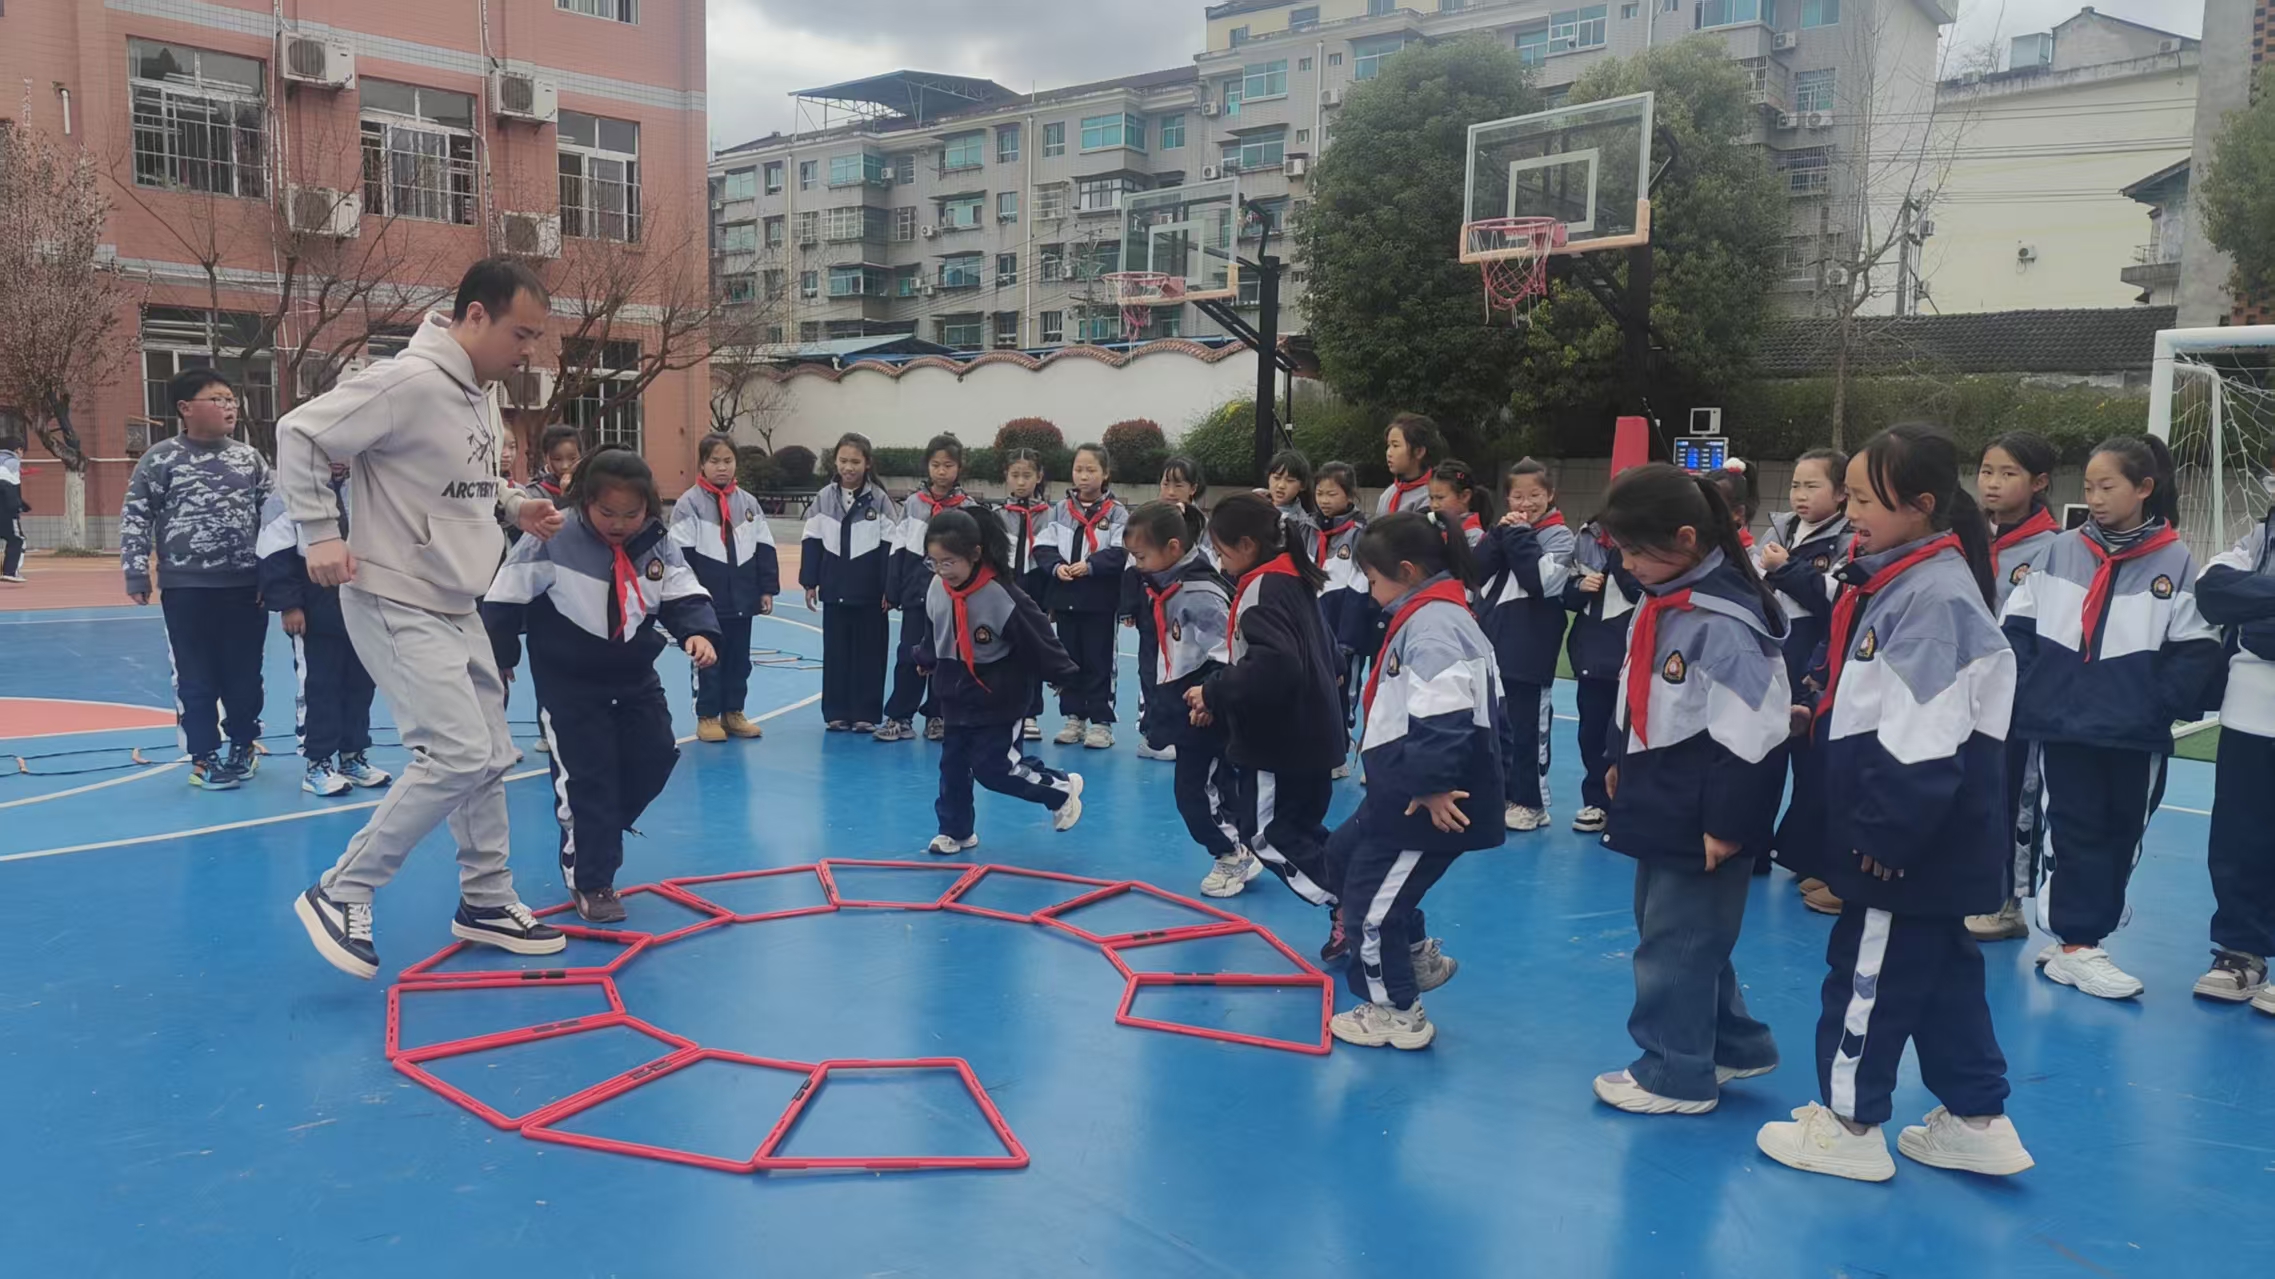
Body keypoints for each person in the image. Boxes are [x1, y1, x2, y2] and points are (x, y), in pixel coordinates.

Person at [1756, 424, 2035, 1183]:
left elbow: (1925, 736)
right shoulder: (1900, 582)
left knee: (1865, 970)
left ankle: (1849, 1124)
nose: (1849, 514)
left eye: (1862, 499)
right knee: (1942, 975)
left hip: (1909, 835)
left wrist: (1887, 833)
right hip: (1925, 832)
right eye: (1847, 497)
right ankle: (1978, 1120)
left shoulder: (1932, 597)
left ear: (1921, 504)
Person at [280, 258, 570, 980]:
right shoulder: (406, 382)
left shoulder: (480, 392)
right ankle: (341, 889)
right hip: (395, 595)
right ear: (475, 315)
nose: (528, 350)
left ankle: (486, 900)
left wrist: (512, 504)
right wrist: (320, 530)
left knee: (491, 754)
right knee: (456, 754)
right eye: (520, 333)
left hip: (455, 598)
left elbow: (462, 478)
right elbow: (301, 433)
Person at [1586, 464, 1788, 1117]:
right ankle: (1733, 1044)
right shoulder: (1664, 598)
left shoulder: (1722, 621)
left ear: (1685, 539)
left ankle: (1675, 1072)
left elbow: (1754, 733)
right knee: (1676, 931)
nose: (1626, 564)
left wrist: (1727, 826)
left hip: (1704, 806)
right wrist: (1619, 757)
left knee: (1676, 943)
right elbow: (1640, 686)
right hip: (1660, 785)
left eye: (1635, 550)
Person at [2003, 434, 2222, 1001]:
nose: (2095, 498)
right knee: (2072, 829)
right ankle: (2077, 943)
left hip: (2134, 732)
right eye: (2089, 487)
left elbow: (2196, 647)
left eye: (2107, 487)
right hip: (2062, 725)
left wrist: (2156, 703)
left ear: (2144, 488)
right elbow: (2016, 630)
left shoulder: (2175, 561)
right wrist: (2035, 694)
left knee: (2123, 833)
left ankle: (2080, 936)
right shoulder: (2059, 551)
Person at [484, 447, 721, 921]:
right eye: (607, 512)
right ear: (585, 501)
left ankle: (604, 825)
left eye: (631, 514)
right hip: (570, 684)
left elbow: (682, 591)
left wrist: (698, 632)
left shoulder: (656, 541)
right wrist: (502, 657)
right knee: (586, 781)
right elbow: (504, 598)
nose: (619, 524)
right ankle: (592, 881)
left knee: (656, 754)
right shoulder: (552, 537)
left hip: (634, 675)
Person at [1324, 511, 1507, 1048]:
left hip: (1428, 800)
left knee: (1369, 912)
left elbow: (1445, 715)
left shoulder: (1434, 627)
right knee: (1342, 856)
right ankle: (1414, 954)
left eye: (1373, 579)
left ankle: (1396, 1012)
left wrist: (1429, 786)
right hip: (1401, 787)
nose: (1369, 591)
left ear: (1406, 572)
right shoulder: (1428, 614)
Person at [1189, 493, 1349, 921]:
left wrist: (1213, 692)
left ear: (1247, 545)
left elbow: (1276, 664)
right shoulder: (1293, 578)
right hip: (1313, 735)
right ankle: (1370, 905)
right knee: (1303, 832)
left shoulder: (1263, 587)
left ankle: (1357, 909)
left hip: (1280, 744)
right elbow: (1329, 654)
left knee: (1267, 835)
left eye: (1222, 552)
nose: (1220, 562)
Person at [120, 369, 273, 790]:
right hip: (186, 589)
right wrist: (135, 570)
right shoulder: (160, 459)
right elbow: (136, 516)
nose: (229, 407)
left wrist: (274, 577)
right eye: (218, 399)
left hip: (246, 589)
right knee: (195, 677)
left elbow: (275, 521)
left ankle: (243, 744)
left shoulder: (250, 459)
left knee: (245, 675)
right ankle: (204, 756)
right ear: (185, 408)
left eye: (231, 399)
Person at [914, 508, 1085, 853]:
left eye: (949, 562)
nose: (942, 570)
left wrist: (1063, 676)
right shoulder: (937, 587)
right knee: (953, 768)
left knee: (996, 770)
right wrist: (927, 658)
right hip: (954, 694)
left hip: (999, 698)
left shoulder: (1000, 595)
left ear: (975, 554)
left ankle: (1060, 789)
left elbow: (1038, 637)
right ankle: (956, 831)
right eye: (934, 562)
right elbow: (936, 629)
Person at [1965, 432, 2062, 943]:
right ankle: (1967, 887)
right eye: (1987, 471)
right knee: (1964, 791)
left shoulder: (2054, 549)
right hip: (1963, 694)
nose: (1993, 483)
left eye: (2008, 473)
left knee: (2009, 799)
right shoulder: (1967, 537)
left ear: (2039, 482)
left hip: (2016, 700)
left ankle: (2007, 902)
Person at [1124, 502, 1247, 893]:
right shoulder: (1162, 585)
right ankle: (1241, 842)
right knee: (1218, 784)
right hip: (1182, 703)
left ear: (1174, 548)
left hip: (1204, 711)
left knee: (1192, 793)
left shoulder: (1199, 595)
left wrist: (1209, 699)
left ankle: (1231, 855)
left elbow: (1229, 655)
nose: (1137, 565)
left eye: (1141, 556)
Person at [256, 465, 391, 797]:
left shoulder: (369, 486)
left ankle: (352, 756)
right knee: (319, 687)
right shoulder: (288, 494)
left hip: (363, 607)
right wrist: (289, 604)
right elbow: (273, 553)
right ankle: (317, 763)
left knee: (361, 685)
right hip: (316, 611)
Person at [2195, 480, 2275, 1011]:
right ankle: (2241, 952)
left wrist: (2257, 598)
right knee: (2239, 839)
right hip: (2251, 708)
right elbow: (2213, 590)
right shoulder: (2261, 536)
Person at [1758, 448, 1853, 891]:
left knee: (1812, 765)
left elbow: (1836, 600)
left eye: (1813, 486)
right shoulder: (1780, 530)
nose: (1800, 494)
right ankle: (1752, 846)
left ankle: (1810, 859)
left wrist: (1784, 569)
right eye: (1796, 485)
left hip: (1812, 658)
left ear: (1841, 493)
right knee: (1759, 756)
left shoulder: (1847, 539)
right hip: (1769, 654)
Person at [1475, 458, 1577, 833]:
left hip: (1530, 647)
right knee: (1497, 726)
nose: (1526, 503)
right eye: (1517, 496)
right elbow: (1474, 571)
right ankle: (1505, 794)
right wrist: (1499, 535)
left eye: (1535, 495)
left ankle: (1532, 803)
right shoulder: (1504, 530)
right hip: (1494, 641)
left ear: (1550, 495)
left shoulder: (1560, 536)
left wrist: (1517, 536)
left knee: (1528, 730)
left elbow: (1541, 582)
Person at [670, 432, 778, 744]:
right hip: (706, 602)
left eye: (727, 461)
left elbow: (764, 547)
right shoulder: (688, 504)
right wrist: (690, 598)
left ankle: (734, 711)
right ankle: (707, 715)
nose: (722, 467)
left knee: (739, 661)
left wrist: (766, 589)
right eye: (714, 461)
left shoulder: (748, 504)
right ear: (702, 465)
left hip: (742, 598)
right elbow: (679, 557)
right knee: (708, 661)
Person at [801, 432, 899, 733]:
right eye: (843, 460)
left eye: (855, 461)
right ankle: (836, 712)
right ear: (835, 462)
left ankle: (866, 713)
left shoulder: (879, 500)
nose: (848, 467)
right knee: (836, 654)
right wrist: (810, 582)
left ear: (867, 464)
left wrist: (889, 588)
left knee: (870, 655)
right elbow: (811, 540)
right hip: (834, 592)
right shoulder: (823, 498)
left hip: (870, 595)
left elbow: (891, 547)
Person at [881, 434, 973, 744]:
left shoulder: (968, 508)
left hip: (951, 598)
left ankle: (938, 715)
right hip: (916, 595)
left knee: (946, 657)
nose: (941, 471)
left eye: (948, 465)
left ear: (959, 468)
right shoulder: (913, 504)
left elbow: (973, 556)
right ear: (927, 466)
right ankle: (899, 716)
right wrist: (893, 590)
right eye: (936, 465)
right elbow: (898, 548)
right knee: (909, 654)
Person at [1034, 443, 1128, 749]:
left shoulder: (1117, 513)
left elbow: (1121, 551)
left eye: (1091, 470)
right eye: (1078, 469)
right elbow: (1042, 546)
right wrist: (1056, 567)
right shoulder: (1059, 510)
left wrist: (1091, 566)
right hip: (1066, 599)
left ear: (1105, 474)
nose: (1083, 476)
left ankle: (1101, 722)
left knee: (1099, 660)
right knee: (1069, 659)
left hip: (1099, 601)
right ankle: (1073, 717)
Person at [1126, 454, 1212, 762]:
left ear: (1193, 488)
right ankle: (1152, 732)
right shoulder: (1148, 519)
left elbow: (1208, 565)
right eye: (1166, 484)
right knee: (1150, 668)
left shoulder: (1201, 525)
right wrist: (1129, 607)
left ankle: (1180, 729)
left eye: (1179, 485)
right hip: (1152, 610)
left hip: (1187, 614)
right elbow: (1132, 566)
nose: (1171, 491)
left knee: (1184, 670)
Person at [1563, 509, 1641, 835]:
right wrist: (1580, 586)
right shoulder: (1586, 536)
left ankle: (1628, 807)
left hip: (1631, 657)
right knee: (1591, 733)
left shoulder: (1649, 542)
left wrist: (1618, 556)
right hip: (1592, 655)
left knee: (1627, 735)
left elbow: (1640, 591)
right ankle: (1596, 801)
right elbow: (1565, 596)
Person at [1313, 461, 1371, 769]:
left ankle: (1340, 750)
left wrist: (1348, 637)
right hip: (1314, 626)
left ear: (1349, 495)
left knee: (1344, 691)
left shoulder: (1359, 535)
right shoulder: (1309, 529)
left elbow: (1361, 586)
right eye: (1319, 493)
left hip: (1343, 630)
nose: (1324, 500)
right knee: (1314, 688)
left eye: (1332, 493)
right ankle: (1319, 743)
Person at [996, 448, 1053, 741]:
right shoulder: (996, 516)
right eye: (1015, 475)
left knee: (1033, 651)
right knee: (1001, 651)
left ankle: (1031, 713)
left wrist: (1052, 599)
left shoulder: (1050, 516)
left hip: (1036, 590)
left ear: (1039, 477)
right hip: (1005, 590)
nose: (1021, 482)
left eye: (1027, 475)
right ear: (1006, 476)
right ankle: (1004, 709)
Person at [506, 424, 581, 548]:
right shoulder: (534, 494)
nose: (565, 466)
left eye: (572, 458)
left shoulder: (589, 488)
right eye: (557, 459)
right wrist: (565, 494)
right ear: (546, 458)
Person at [1378, 413, 1445, 517]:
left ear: (1419, 452)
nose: (1389, 453)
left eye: (1395, 445)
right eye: (1388, 446)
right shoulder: (1387, 495)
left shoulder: (1432, 496)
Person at [1427, 458, 1491, 548]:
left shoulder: (1474, 537)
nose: (1434, 505)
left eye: (1440, 498)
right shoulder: (1431, 529)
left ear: (1465, 496)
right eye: (1431, 498)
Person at [1266, 448, 1321, 542]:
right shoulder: (1253, 503)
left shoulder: (1304, 524)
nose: (1281, 485)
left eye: (1290, 481)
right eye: (1276, 478)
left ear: (1302, 485)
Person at [0, 433, 27, 583]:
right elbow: (8, 485)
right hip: (6, 509)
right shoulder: (13, 462)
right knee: (17, 539)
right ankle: (10, 571)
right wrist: (17, 505)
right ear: (18, 449)